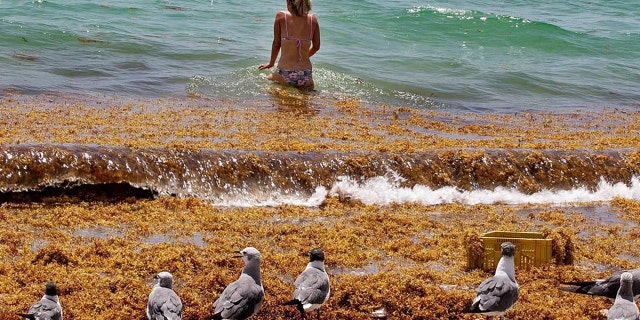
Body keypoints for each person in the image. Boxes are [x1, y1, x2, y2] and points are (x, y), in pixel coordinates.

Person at [258, 0, 320, 91]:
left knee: (262, 83)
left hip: (285, 72)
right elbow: (316, 47)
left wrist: (271, 63)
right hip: (306, 74)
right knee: (306, 103)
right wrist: (304, 56)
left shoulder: (281, 16)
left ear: (289, 2)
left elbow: (276, 44)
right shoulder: (313, 20)